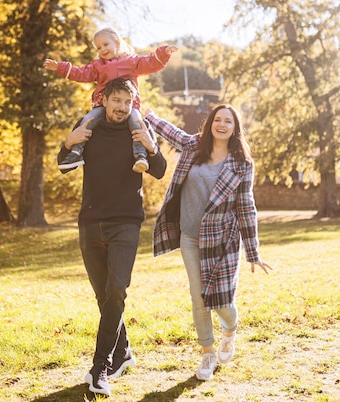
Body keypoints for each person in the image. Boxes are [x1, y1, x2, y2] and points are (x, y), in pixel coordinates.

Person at [57, 78, 167, 397]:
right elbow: (64, 166)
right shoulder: (88, 126)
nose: (120, 107)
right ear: (104, 100)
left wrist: (150, 146)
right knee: (104, 296)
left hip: (126, 222)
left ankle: (99, 368)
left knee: (117, 288)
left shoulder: (138, 128)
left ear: (132, 103)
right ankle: (124, 352)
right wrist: (68, 141)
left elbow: (158, 170)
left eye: (126, 102)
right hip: (90, 222)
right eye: (115, 100)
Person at [146, 105, 272, 381]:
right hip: (190, 236)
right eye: (218, 119)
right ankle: (207, 353)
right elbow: (172, 133)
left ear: (235, 128)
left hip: (223, 240)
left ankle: (230, 331)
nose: (222, 124)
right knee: (199, 298)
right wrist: (149, 117)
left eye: (228, 121)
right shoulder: (194, 146)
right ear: (211, 123)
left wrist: (253, 252)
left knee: (223, 300)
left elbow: (246, 207)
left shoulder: (241, 164)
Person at [45, 27, 178, 173]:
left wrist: (163, 52)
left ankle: (140, 155)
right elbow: (81, 73)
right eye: (99, 47)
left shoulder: (130, 61)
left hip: (132, 106)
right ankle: (76, 153)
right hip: (100, 104)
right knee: (87, 120)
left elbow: (149, 62)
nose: (102, 49)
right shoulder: (98, 66)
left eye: (105, 44)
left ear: (117, 42)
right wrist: (60, 67)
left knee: (137, 123)